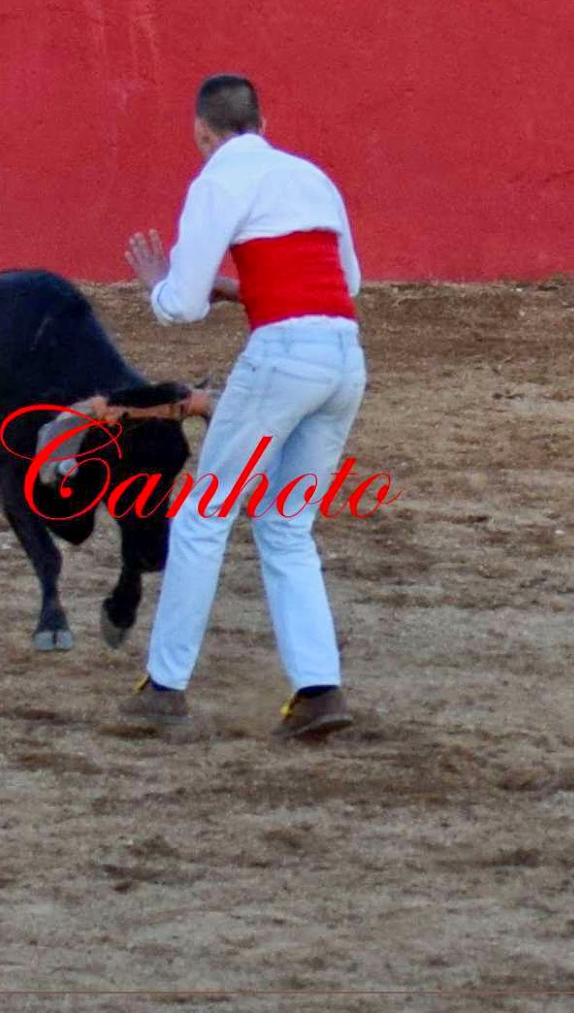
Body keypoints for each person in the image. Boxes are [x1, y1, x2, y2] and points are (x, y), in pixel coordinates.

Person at [118, 73, 368, 740]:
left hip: (281, 359)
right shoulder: (312, 177)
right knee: (286, 523)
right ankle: (318, 690)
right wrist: (241, 289)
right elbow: (343, 283)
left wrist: (159, 286)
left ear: (202, 132)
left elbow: (182, 306)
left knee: (203, 516)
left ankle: (164, 687)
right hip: (344, 358)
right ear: (262, 121)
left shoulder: (218, 180)